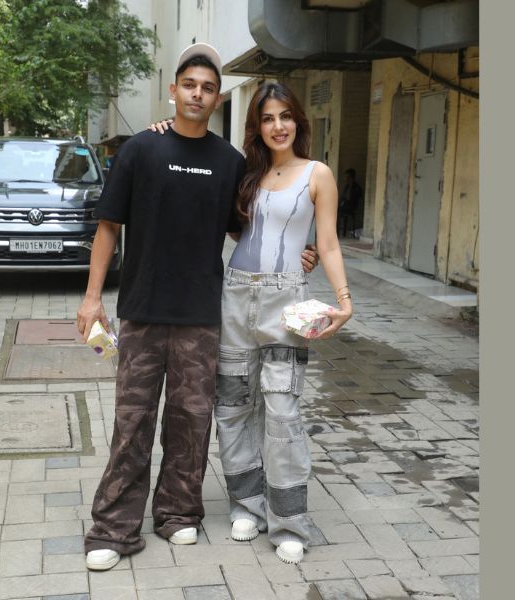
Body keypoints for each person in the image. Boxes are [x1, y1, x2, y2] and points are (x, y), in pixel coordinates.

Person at [75, 44, 317, 572]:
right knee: (132, 423)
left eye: (208, 88)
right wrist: (92, 298)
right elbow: (108, 226)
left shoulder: (229, 162)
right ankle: (113, 528)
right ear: (173, 90)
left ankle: (178, 511)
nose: (198, 94)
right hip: (141, 312)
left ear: (217, 99)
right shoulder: (141, 149)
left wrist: (298, 253)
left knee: (191, 422)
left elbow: (246, 228)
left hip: (203, 316)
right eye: (190, 85)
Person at [152, 82, 353, 564]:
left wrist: (344, 300)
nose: (278, 126)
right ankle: (247, 504)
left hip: (286, 303)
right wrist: (163, 129)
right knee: (233, 406)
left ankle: (290, 521)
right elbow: (232, 225)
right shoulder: (246, 173)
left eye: (285, 116)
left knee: (282, 411)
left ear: (298, 121)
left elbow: (326, 243)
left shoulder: (318, 173)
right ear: (256, 127)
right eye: (267, 118)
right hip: (236, 295)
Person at [338, 168, 363, 238]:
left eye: (347, 177)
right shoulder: (347, 186)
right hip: (344, 206)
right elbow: (342, 196)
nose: (345, 179)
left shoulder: (356, 187)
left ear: (351, 178)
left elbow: (350, 198)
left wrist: (351, 186)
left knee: (337, 211)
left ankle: (336, 233)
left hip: (351, 207)